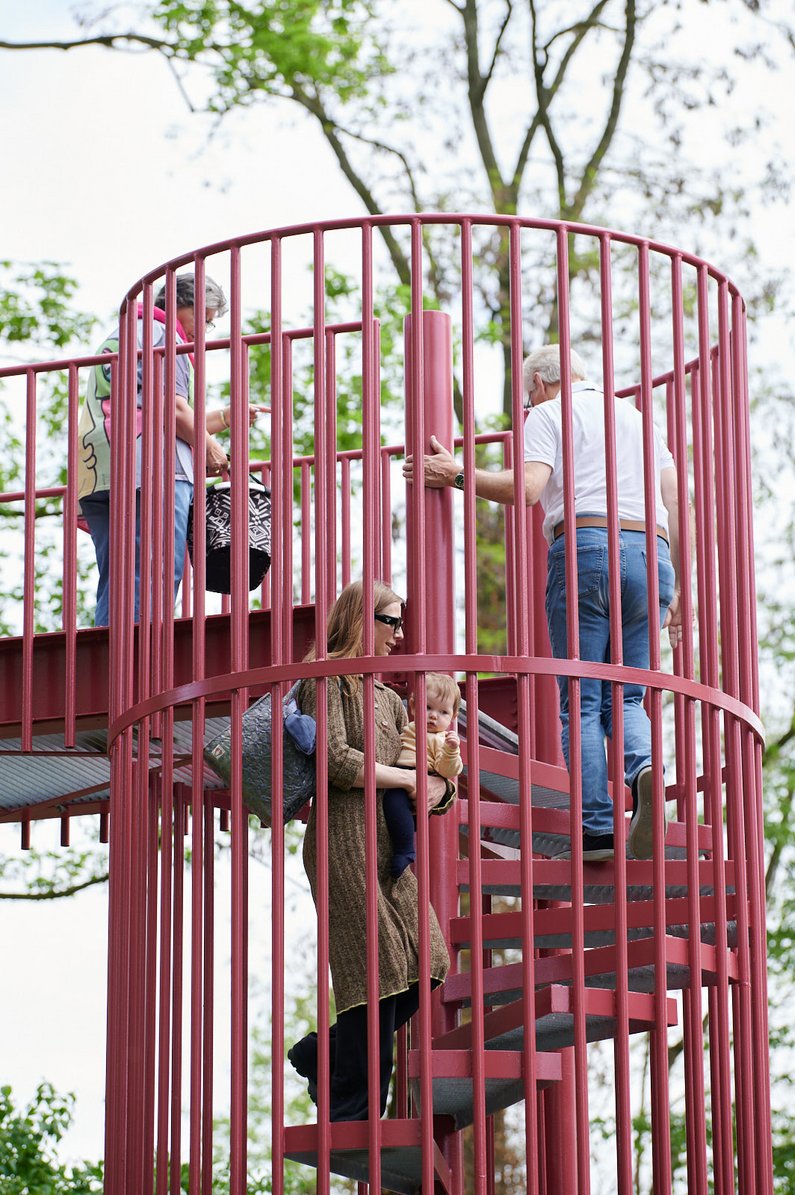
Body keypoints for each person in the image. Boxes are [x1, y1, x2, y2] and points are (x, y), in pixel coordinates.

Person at [403, 344, 687, 863]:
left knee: (580, 698)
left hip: (588, 547)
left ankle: (599, 830)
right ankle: (645, 769)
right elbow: (674, 496)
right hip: (653, 553)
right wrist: (681, 590)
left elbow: (529, 489)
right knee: (626, 698)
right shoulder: (635, 417)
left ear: (537, 384)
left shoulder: (550, 414)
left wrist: (456, 475)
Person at [288, 580, 457, 1121]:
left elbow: (420, 767)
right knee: (375, 973)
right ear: (362, 620)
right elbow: (336, 761)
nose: (399, 635)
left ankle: (324, 1053)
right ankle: (357, 1110)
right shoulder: (326, 681)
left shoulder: (387, 698)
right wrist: (404, 783)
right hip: (342, 841)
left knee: (429, 961)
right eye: (391, 622)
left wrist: (442, 786)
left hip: (388, 847)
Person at [76, 272, 260, 625]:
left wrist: (223, 418)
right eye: (203, 318)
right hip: (151, 472)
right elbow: (171, 409)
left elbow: (151, 412)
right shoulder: (165, 336)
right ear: (180, 305)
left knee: (119, 577)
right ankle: (139, 667)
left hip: (101, 469)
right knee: (156, 571)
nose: (204, 331)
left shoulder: (126, 334)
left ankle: (111, 656)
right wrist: (212, 450)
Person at [383, 671, 463, 878]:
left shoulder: (442, 740)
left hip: (420, 777)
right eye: (427, 708)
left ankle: (405, 850)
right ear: (413, 706)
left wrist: (451, 751)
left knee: (393, 801)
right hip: (399, 773)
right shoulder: (408, 728)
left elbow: (448, 770)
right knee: (392, 809)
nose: (434, 716)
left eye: (443, 712)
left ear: (453, 717)